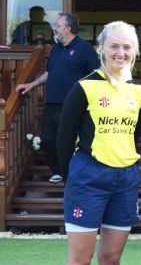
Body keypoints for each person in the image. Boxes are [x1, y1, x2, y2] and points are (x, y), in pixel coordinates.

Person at [55, 21, 141, 265]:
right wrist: (74, 178)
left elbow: (136, 135)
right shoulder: (84, 87)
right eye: (115, 47)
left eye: (127, 48)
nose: (121, 53)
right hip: (88, 177)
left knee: (112, 258)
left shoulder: (139, 92)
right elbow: (63, 139)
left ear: (135, 52)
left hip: (125, 179)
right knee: (80, 260)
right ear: (102, 48)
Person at [17, 12, 99, 183]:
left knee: (67, 141)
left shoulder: (84, 48)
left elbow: (96, 73)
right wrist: (32, 84)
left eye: (58, 25)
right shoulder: (56, 49)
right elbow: (50, 72)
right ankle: (59, 171)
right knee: (47, 140)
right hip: (51, 103)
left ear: (68, 28)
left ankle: (70, 173)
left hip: (71, 105)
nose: (55, 29)